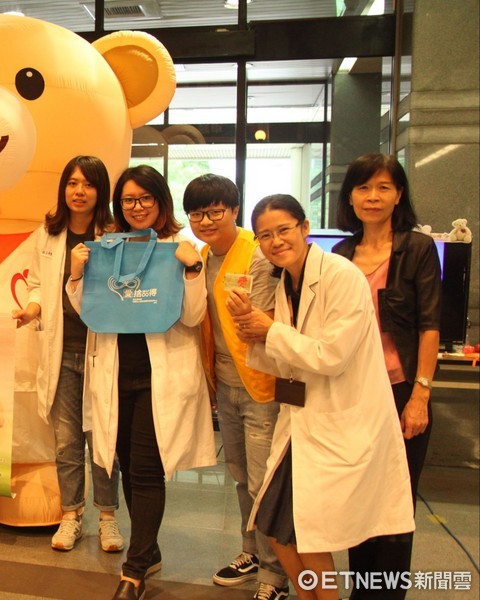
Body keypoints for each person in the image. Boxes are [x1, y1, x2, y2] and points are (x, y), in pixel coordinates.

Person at [229, 194, 416, 600]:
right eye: (265, 235)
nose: (276, 241)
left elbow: (332, 355)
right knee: (276, 526)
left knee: (306, 532)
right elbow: (289, 358)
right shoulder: (287, 283)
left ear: (304, 228)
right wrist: (253, 332)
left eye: (283, 230)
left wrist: (270, 331)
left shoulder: (340, 275)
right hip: (303, 420)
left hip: (343, 420)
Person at [66, 165, 216, 600]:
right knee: (129, 464)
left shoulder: (180, 248)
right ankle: (148, 551)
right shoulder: (106, 246)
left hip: (160, 377)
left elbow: (193, 317)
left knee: (147, 469)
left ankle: (133, 573)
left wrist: (192, 271)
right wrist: (76, 275)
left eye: (145, 198)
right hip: (115, 374)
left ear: (160, 201)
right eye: (129, 200)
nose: (137, 207)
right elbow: (89, 310)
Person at [333, 154, 440, 599]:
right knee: (358, 496)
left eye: (383, 187)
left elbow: (429, 325)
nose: (372, 197)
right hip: (355, 393)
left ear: (399, 195)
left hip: (400, 390)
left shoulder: (417, 248)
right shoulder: (341, 254)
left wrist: (420, 396)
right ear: (350, 197)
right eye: (363, 188)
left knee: (395, 501)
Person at [183, 174, 288, 600]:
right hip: (225, 383)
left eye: (215, 211)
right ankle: (252, 551)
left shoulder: (256, 253)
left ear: (234, 210)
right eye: (197, 214)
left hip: (261, 385)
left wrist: (249, 317)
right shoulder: (203, 256)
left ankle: (275, 575)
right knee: (241, 476)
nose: (206, 221)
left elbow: (263, 320)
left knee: (264, 481)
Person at [12, 156, 123, 553]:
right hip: (61, 353)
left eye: (88, 184)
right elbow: (36, 284)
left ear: (100, 191)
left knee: (104, 438)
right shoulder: (48, 233)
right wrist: (32, 309)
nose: (79, 191)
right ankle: (71, 515)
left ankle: (108, 517)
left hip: (101, 351)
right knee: (66, 442)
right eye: (72, 183)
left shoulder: (114, 233)